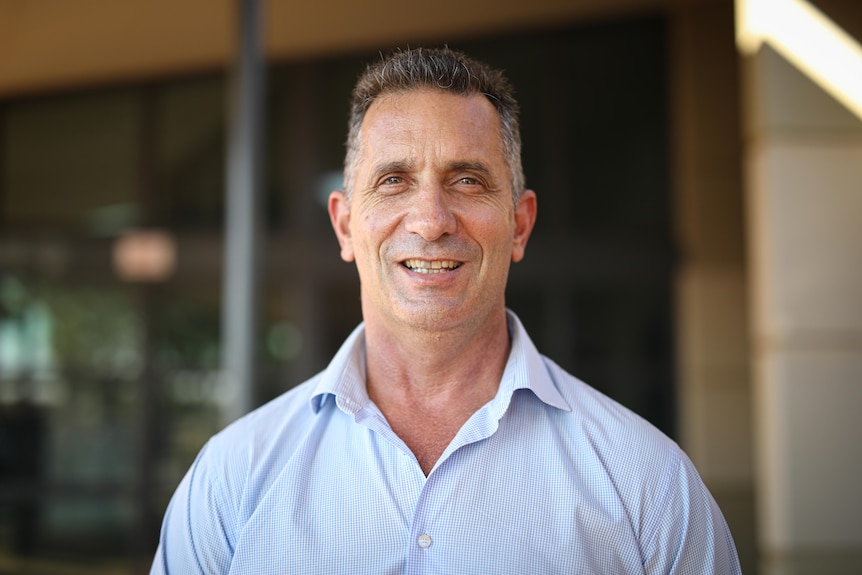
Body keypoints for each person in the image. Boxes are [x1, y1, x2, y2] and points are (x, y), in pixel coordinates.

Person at [150, 47, 741, 574]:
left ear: (520, 223)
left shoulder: (650, 486)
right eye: (394, 180)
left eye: (466, 180)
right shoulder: (232, 481)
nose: (431, 220)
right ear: (345, 225)